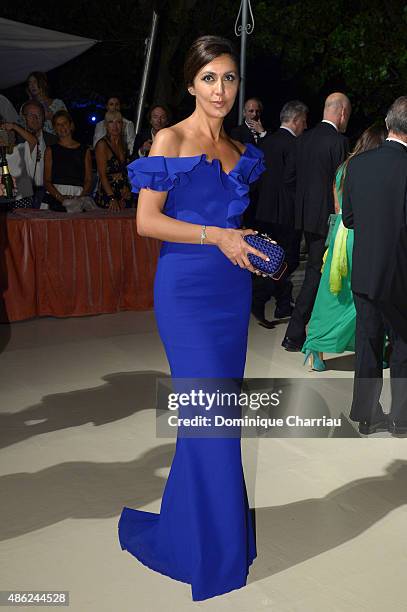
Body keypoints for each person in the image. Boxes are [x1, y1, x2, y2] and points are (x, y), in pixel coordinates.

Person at [118, 35, 268, 601]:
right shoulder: (170, 139)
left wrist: (241, 240)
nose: (221, 90)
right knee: (215, 423)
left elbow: (228, 225)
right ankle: (219, 553)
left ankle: (187, 533)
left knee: (209, 419)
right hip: (185, 294)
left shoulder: (238, 150)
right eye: (210, 78)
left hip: (231, 294)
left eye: (229, 78)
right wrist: (216, 235)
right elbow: (146, 223)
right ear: (190, 83)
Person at [342, 97, 407, 436]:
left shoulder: (358, 164)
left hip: (366, 269)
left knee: (367, 343)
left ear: (387, 122)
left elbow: (349, 218)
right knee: (403, 344)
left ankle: (366, 415)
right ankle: (401, 418)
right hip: (401, 272)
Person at [302, 124, 388, 372]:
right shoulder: (373, 170)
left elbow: (338, 208)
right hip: (361, 235)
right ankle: (372, 349)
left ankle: (315, 348)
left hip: (339, 234)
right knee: (365, 296)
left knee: (332, 296)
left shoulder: (344, 168)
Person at [282, 92, 351, 351]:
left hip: (304, 218)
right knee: (317, 274)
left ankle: (299, 333)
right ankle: (297, 333)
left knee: (315, 271)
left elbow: (289, 179)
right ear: (342, 113)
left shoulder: (303, 140)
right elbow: (342, 184)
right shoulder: (339, 142)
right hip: (329, 220)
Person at [253, 100, 308, 325]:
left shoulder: (266, 142)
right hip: (286, 213)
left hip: (264, 211)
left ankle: (283, 304)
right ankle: (261, 296)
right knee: (289, 259)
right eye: (304, 122)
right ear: (295, 120)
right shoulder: (295, 145)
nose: (305, 126)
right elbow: (292, 180)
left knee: (271, 259)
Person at [44, 110, 92, 211]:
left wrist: (79, 198)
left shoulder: (84, 150)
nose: (62, 127)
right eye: (58, 124)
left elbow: (88, 179)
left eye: (64, 123)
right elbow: (47, 181)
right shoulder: (50, 150)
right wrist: (61, 198)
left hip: (78, 195)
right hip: (55, 196)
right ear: (55, 129)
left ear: (71, 125)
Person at [18, 100, 57, 207]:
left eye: (38, 115)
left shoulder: (53, 140)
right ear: (23, 117)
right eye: (31, 115)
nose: (35, 118)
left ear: (44, 117)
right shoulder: (16, 139)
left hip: (48, 194)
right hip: (23, 194)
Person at [94, 111, 134, 210]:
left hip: (125, 194)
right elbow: (102, 174)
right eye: (111, 122)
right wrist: (111, 197)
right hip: (109, 194)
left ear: (123, 125)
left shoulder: (123, 143)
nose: (115, 126)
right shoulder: (102, 145)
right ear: (106, 125)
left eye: (118, 122)